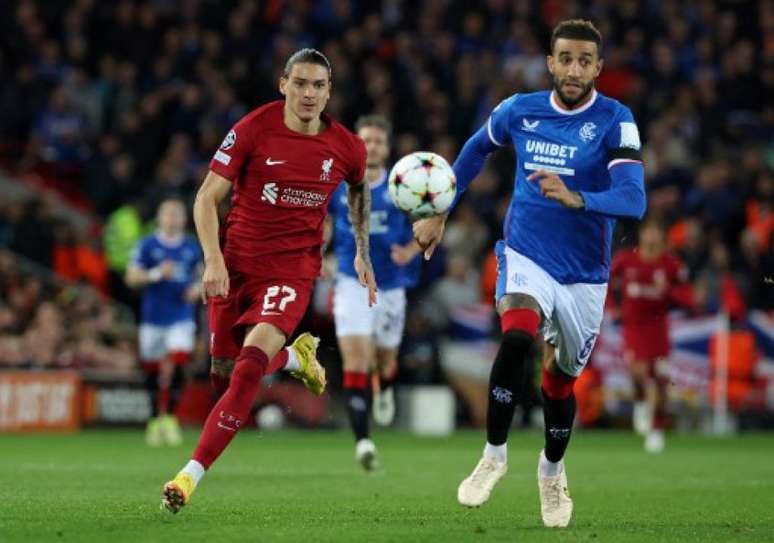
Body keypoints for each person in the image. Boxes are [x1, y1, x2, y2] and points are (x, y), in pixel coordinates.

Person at [413, 20, 646, 528]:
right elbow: (476, 149)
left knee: (559, 384)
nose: (574, 69)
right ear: (550, 62)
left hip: (584, 274)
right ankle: (493, 456)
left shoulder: (614, 119)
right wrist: (441, 208)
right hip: (526, 254)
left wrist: (577, 196)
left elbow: (634, 198)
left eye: (585, 60)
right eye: (565, 58)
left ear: (598, 68)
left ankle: (551, 470)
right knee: (517, 338)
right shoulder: (520, 109)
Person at [161, 48, 376, 513]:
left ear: (329, 92)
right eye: (300, 83)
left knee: (247, 367)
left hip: (292, 272)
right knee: (223, 374)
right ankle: (295, 360)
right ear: (283, 85)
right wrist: (213, 261)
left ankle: (188, 475)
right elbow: (205, 199)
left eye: (318, 86)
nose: (308, 94)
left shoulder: (345, 147)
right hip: (236, 266)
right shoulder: (253, 128)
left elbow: (359, 191)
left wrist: (361, 251)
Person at [327, 114, 420, 470]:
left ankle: (386, 384)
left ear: (388, 147)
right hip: (352, 282)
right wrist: (318, 254)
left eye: (378, 141)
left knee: (383, 360)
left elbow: (430, 219)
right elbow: (322, 222)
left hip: (392, 285)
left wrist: (410, 250)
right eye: (365, 140)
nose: (372, 147)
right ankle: (363, 440)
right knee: (357, 361)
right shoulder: (339, 185)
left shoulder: (404, 185)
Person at [609, 220, 694, 453]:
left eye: (656, 232)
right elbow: (605, 281)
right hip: (633, 327)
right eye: (649, 231)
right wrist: (611, 306)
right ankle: (640, 403)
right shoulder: (627, 260)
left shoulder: (670, 265)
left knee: (658, 377)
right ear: (642, 235)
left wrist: (667, 290)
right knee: (637, 372)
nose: (652, 237)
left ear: (662, 237)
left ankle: (656, 430)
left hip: (658, 328)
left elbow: (688, 298)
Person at [126, 198, 202, 447]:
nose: (172, 218)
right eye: (168, 213)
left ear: (184, 218)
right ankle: (153, 419)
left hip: (181, 315)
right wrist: (157, 273)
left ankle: (169, 418)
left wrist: (197, 289)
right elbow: (131, 277)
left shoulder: (192, 247)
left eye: (177, 214)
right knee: (152, 368)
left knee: (179, 359)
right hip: (153, 316)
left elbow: (204, 277)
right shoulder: (147, 245)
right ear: (159, 218)